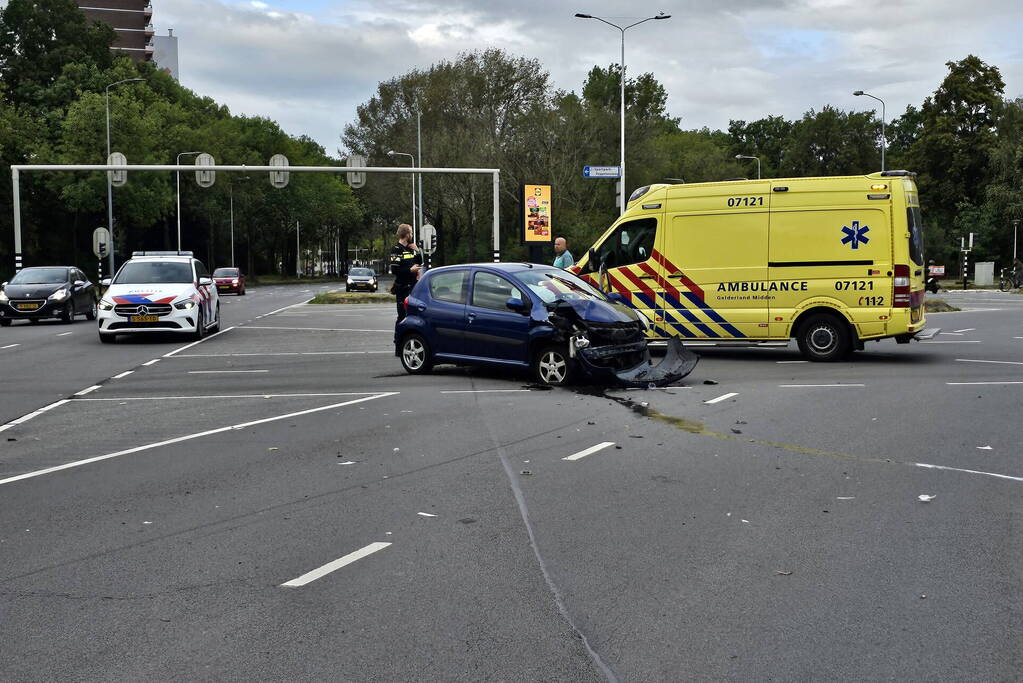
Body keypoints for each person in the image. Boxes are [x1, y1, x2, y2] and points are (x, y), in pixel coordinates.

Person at [389, 223, 422, 325]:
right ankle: (398, 339)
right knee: (402, 316)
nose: (412, 235)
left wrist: (417, 250)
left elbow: (419, 262)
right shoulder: (396, 250)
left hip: (413, 287)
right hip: (402, 288)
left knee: (413, 316)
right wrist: (410, 270)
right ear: (407, 235)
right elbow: (394, 270)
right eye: (411, 233)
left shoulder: (411, 248)